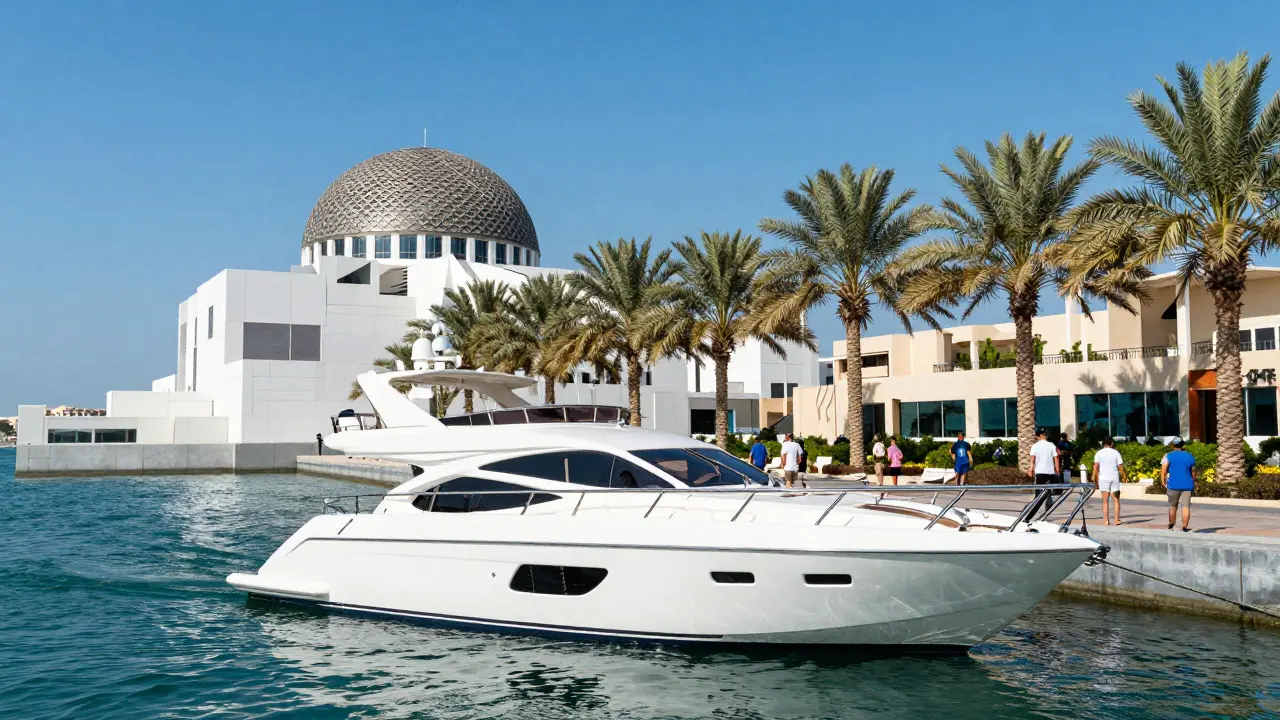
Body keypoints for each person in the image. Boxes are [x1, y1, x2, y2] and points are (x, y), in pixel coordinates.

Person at [1161, 437, 1196, 532]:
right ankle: (1184, 526)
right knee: (1185, 506)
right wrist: (1194, 481)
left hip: (1173, 485)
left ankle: (1171, 524)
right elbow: (1193, 472)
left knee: (1173, 505)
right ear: (1183, 445)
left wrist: (1163, 481)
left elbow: (1163, 471)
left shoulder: (1168, 456)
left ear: (1172, 445)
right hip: (1187, 485)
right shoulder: (1190, 456)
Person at [1092, 436, 1128, 525]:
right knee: (1116, 499)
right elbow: (1120, 466)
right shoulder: (1116, 453)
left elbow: (1096, 467)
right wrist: (1124, 476)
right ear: (1111, 443)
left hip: (1103, 478)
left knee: (1105, 500)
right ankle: (1116, 520)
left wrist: (1094, 478)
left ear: (1103, 443)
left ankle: (1106, 520)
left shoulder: (1098, 453)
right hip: (1114, 478)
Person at [1027, 428, 1061, 518]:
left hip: (1040, 471)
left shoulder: (1035, 446)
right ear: (1045, 435)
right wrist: (1057, 469)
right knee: (1048, 490)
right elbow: (1056, 458)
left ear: (1037, 436)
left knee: (1039, 492)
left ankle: (1031, 513)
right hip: (1050, 472)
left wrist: (1031, 469)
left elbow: (1032, 460)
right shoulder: (1051, 445)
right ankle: (1048, 506)